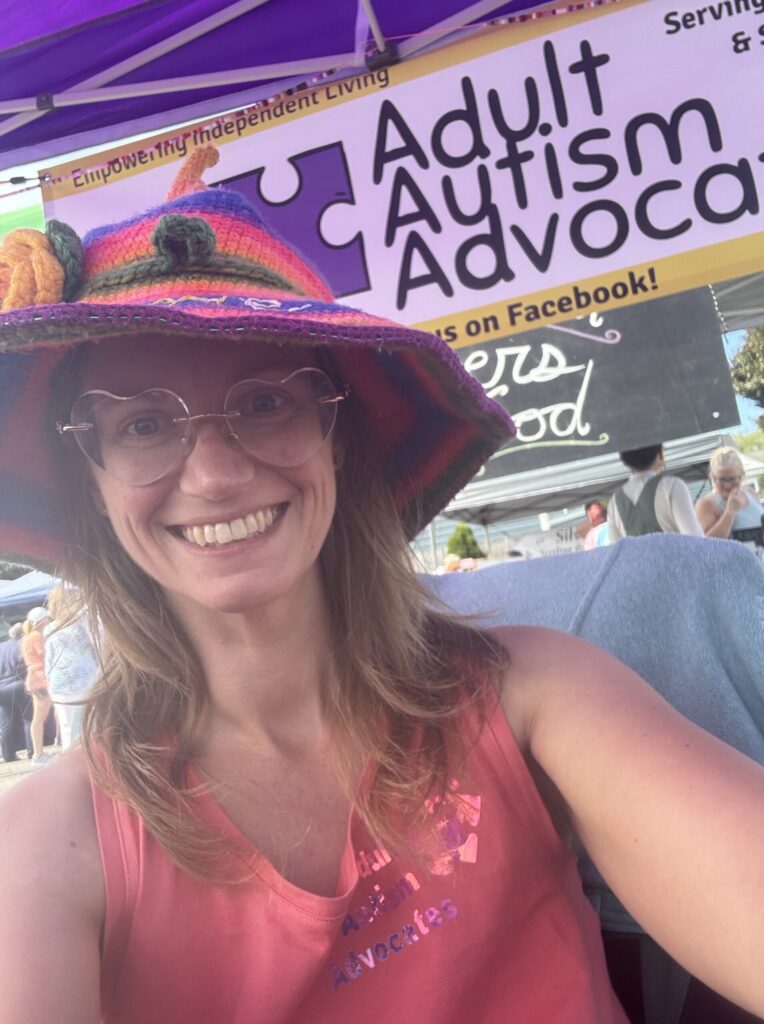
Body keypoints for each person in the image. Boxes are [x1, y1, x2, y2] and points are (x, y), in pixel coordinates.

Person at [0, 149, 762, 1023]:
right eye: (141, 423)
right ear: (89, 481)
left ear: (338, 438)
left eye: (263, 403)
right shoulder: (51, 848)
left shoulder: (538, 697)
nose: (212, 474)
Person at [608, 445, 704, 543]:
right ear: (660, 453)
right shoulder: (672, 486)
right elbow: (694, 538)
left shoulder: (614, 501)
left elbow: (615, 550)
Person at [44, 586, 99, 750]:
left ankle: (74, 758)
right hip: (85, 680)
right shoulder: (84, 623)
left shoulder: (50, 628)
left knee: (69, 728)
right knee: (91, 727)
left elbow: (49, 659)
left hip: (62, 684)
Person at [695, 446, 764, 543]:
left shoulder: (750, 493)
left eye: (732, 479)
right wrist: (729, 513)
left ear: (742, 476)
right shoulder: (706, 504)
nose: (727, 485)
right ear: (713, 478)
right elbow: (706, 544)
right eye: (721, 479)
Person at [20, 607, 55, 767]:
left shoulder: (28, 636)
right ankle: (38, 754)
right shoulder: (36, 636)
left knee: (38, 718)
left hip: (35, 678)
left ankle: (38, 753)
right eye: (47, 619)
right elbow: (45, 653)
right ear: (42, 621)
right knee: (40, 718)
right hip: (40, 678)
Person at [0, 623, 31, 762]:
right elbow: (26, 664)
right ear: (22, 634)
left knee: (6, 723)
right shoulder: (22, 644)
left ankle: (8, 755)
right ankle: (32, 751)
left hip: (1, 689)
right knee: (28, 719)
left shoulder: (1, 647)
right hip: (18, 685)